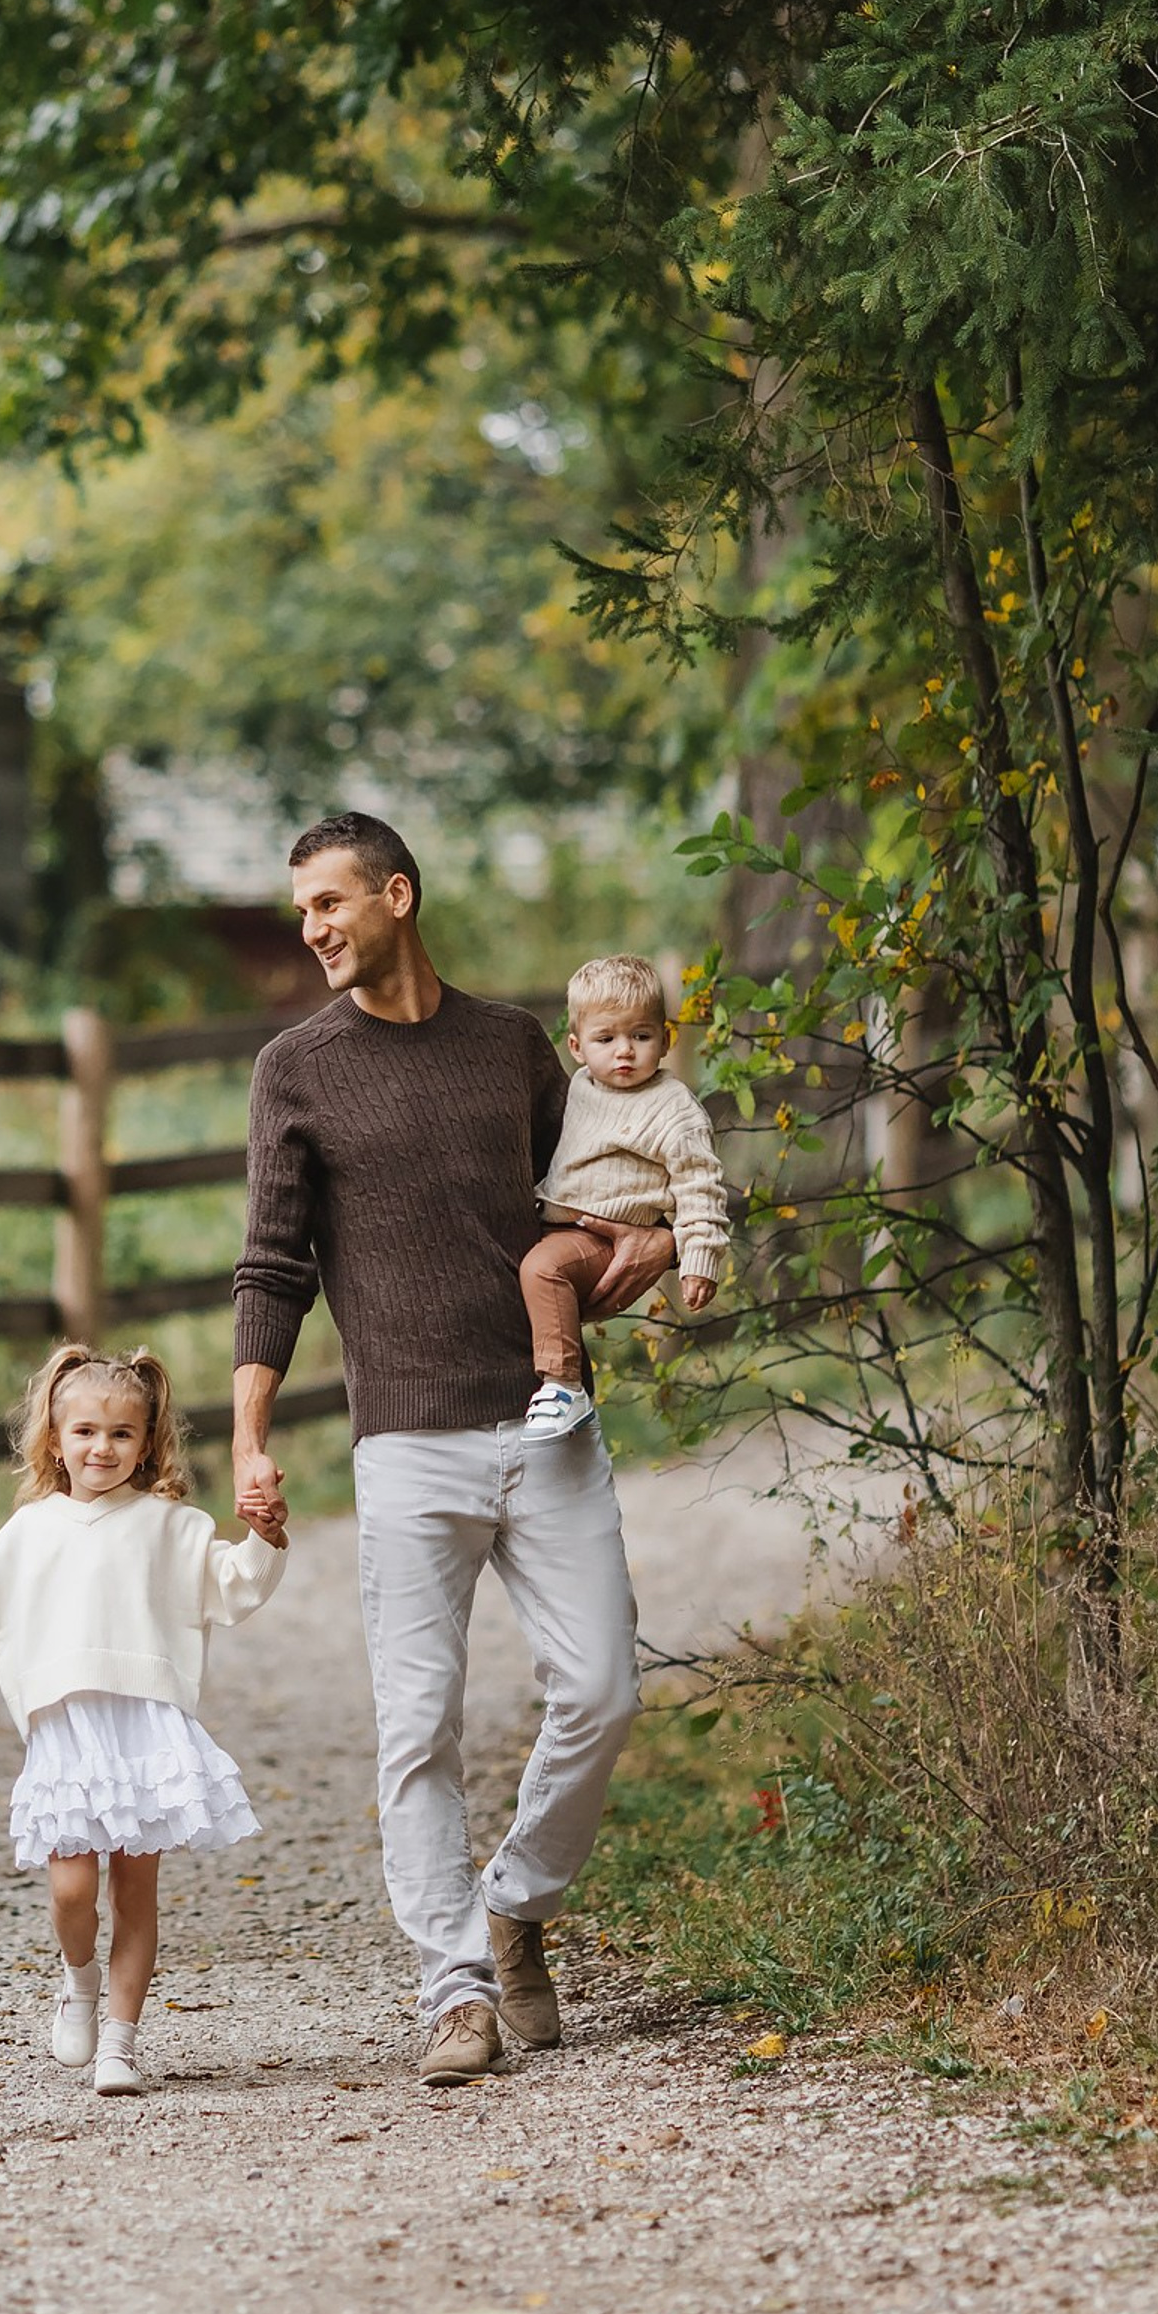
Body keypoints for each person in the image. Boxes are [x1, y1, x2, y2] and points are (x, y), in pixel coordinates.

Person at [231, 813, 675, 2087]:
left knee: (601, 1689)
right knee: (417, 1731)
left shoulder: (514, 1047)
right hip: (407, 1447)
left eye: (329, 902)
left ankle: (517, 1902)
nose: (312, 928)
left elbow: (593, 1196)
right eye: (300, 909)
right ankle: (453, 1990)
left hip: (550, 1426)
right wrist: (251, 1443)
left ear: (397, 896)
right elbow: (271, 1265)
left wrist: (643, 1251)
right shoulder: (295, 1070)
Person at [0, 1346, 285, 2097]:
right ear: (53, 1438)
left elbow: (235, 1586)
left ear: (147, 1443)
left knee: (135, 1894)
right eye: (84, 1432)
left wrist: (268, 1536)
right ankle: (78, 1983)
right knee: (73, 1890)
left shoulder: (172, 1527)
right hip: (67, 1733)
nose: (100, 1448)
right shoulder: (31, 1532)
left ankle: (121, 2041)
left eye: (120, 1434)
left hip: (147, 1731)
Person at [518, 952, 730, 1443]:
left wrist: (699, 1259)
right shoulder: (581, 1087)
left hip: (606, 1238)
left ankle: (563, 1384)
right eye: (606, 1039)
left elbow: (700, 1185)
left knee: (541, 1269)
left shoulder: (673, 1108)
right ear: (576, 1046)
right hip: (560, 1221)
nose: (625, 1053)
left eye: (641, 1036)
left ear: (666, 1038)